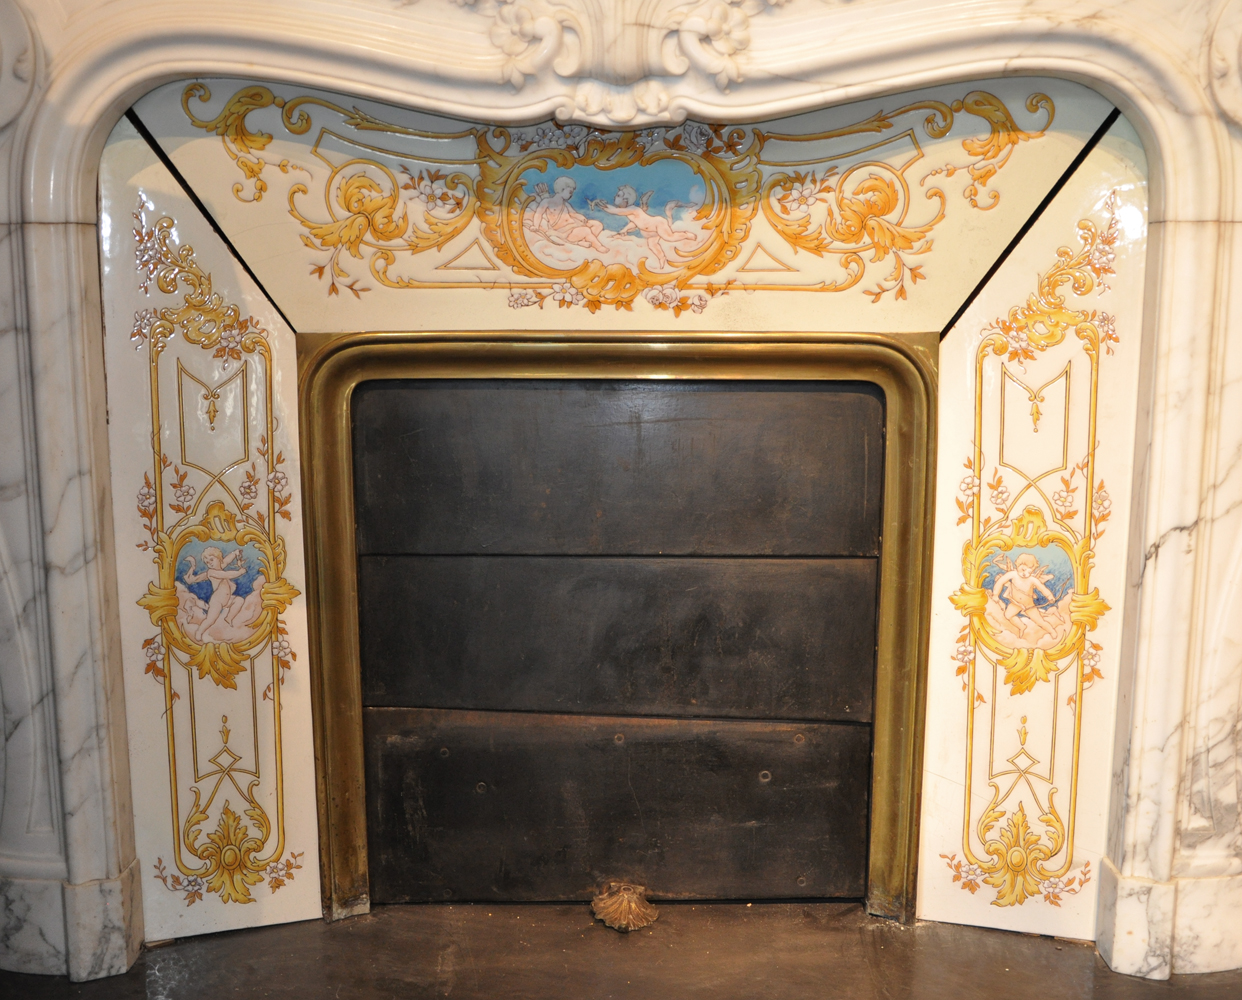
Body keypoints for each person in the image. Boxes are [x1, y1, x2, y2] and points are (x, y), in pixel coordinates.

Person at [588, 185, 698, 269]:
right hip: (650, 232)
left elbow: (615, 211)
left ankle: (686, 234)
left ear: (625, 200)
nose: (614, 197)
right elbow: (635, 222)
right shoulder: (629, 212)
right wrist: (624, 230)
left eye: (618, 196)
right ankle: (662, 259)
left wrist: (601, 205)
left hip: (657, 224)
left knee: (669, 237)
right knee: (652, 245)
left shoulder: (633, 209)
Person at [525, 177, 610, 253]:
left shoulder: (566, 204)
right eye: (570, 192)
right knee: (585, 230)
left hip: (575, 226)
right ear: (562, 190)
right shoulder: (547, 202)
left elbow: (574, 213)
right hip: (565, 232)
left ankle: (581, 241)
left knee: (597, 225)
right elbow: (538, 214)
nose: (571, 195)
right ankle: (599, 246)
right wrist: (535, 226)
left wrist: (580, 217)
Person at [991, 553, 1063, 640]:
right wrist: (995, 594)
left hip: (1029, 605)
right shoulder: (1012, 574)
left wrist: (1050, 596)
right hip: (1015, 604)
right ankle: (1021, 626)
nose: (1025, 574)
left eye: (1029, 572)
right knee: (1008, 615)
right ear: (1017, 565)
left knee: (1040, 621)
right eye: (1023, 570)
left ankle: (1052, 631)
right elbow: (1000, 582)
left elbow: (1042, 588)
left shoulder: (1032, 579)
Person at [183, 546, 247, 643]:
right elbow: (227, 575)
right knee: (210, 620)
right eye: (207, 562)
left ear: (219, 558)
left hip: (227, 599)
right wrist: (239, 572)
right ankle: (199, 632)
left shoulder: (220, 566)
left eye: (211, 559)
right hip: (217, 601)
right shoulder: (211, 572)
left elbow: (227, 560)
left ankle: (229, 618)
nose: (210, 563)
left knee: (239, 600)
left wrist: (235, 553)